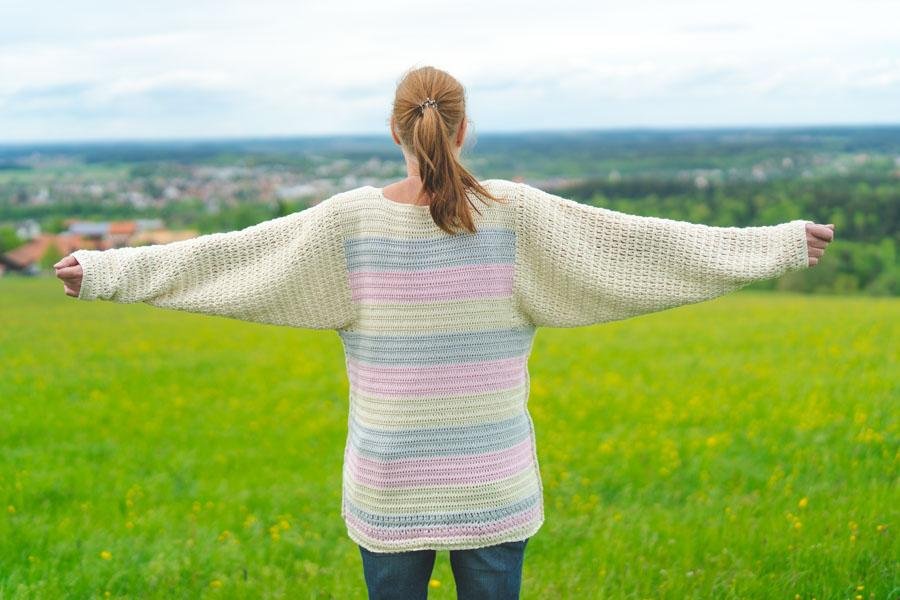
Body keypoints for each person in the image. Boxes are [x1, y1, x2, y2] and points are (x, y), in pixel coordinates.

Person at [53, 65, 835, 600]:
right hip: (493, 485)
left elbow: (225, 262)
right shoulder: (516, 216)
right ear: (463, 129)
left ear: (396, 130)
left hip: (389, 491)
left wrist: (108, 272)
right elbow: (652, 249)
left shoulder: (350, 223)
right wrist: (775, 243)